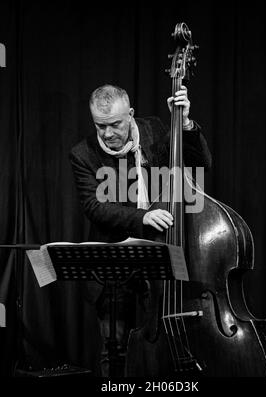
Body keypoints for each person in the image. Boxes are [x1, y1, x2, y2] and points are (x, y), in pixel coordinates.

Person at [69, 84, 211, 375]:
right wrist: (143, 217)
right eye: (100, 125)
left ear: (130, 114)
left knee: (162, 346)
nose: (108, 133)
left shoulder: (156, 130)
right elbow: (95, 207)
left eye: (115, 124)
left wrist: (183, 123)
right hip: (112, 268)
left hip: (159, 260)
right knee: (115, 349)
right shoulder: (83, 153)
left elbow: (201, 165)